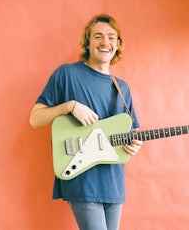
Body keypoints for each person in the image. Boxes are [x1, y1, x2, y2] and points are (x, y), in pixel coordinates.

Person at [29, 14, 143, 230]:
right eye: (98, 36)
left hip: (114, 183)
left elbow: (132, 132)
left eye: (111, 37)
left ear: (118, 44)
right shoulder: (67, 74)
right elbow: (35, 119)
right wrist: (69, 106)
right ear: (88, 42)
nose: (105, 43)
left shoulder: (122, 87)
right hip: (82, 176)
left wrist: (134, 145)